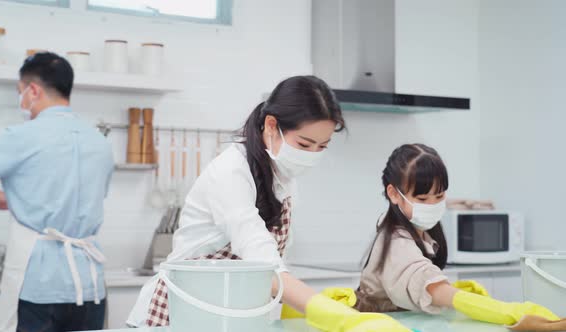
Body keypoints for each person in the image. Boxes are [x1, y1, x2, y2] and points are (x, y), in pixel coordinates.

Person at [127, 76, 412, 332]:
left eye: (322, 146)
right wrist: (339, 318)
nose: (312, 154)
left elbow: (273, 267)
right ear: (272, 125)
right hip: (183, 314)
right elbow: (262, 261)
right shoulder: (231, 171)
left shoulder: (285, 178)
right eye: (304, 144)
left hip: (235, 315)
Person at [0, 52, 114, 332]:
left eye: (20, 92)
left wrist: (10, 200)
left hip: (39, 285)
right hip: (89, 288)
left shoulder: (22, 137)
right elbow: (71, 198)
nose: (22, 100)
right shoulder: (100, 143)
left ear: (33, 90)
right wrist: (10, 200)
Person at [355, 143, 559, 326]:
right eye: (423, 198)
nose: (433, 205)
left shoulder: (412, 226)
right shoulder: (396, 242)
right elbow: (430, 287)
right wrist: (508, 312)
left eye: (440, 196)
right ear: (393, 194)